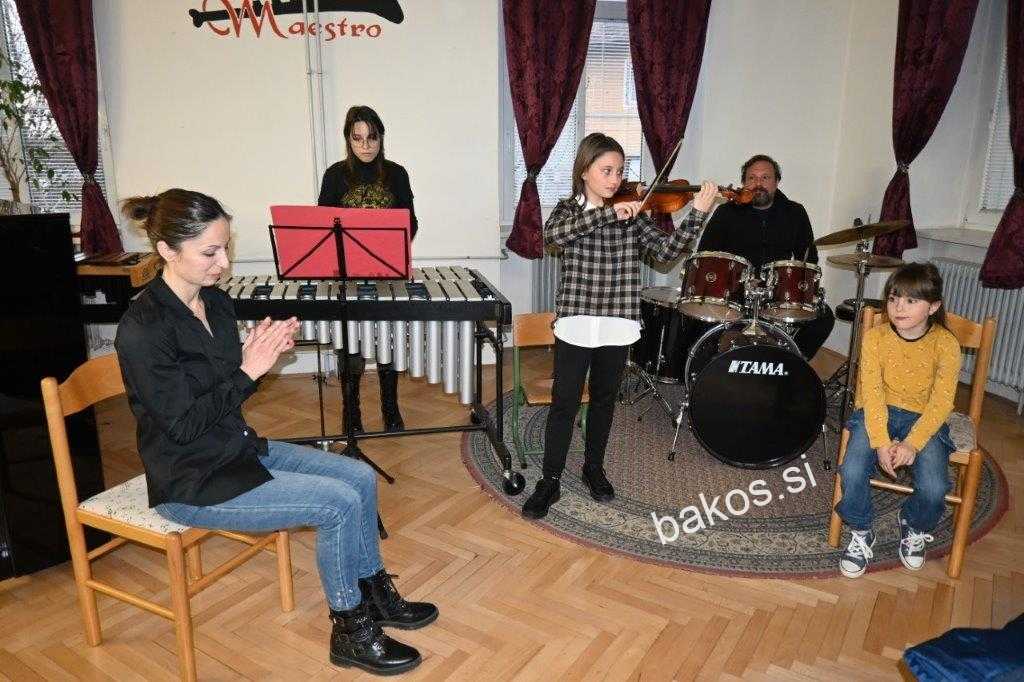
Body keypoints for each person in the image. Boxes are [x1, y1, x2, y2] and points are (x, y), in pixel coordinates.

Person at [114, 189, 437, 675]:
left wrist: (257, 354)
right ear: (166, 250)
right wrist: (249, 370)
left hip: (237, 449)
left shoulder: (215, 303)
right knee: (336, 504)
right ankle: (350, 630)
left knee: (358, 477)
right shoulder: (144, 329)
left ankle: (374, 594)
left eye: (225, 248)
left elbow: (225, 386)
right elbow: (182, 426)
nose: (224, 263)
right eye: (209, 252)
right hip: (193, 479)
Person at [521, 132, 717, 520]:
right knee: (564, 403)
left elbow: (667, 252)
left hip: (617, 323)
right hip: (577, 322)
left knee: (604, 400)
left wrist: (697, 212)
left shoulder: (634, 216)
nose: (615, 179)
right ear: (585, 171)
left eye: (620, 171)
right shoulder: (568, 210)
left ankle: (593, 468)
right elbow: (553, 236)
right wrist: (610, 214)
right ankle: (550, 480)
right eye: (607, 170)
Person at [833, 262, 961, 578]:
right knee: (852, 469)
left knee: (935, 487)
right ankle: (861, 530)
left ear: (933, 306)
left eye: (910, 300)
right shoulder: (875, 337)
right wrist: (880, 442)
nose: (898, 307)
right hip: (877, 413)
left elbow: (942, 402)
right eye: (893, 298)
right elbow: (871, 393)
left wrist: (912, 444)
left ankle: (913, 523)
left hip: (924, 419)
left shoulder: (946, 344)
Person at [318, 105, 417, 433]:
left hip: (387, 271)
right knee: (350, 346)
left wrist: (389, 244)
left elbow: (411, 222)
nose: (365, 145)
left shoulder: (396, 174)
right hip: (346, 274)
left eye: (372, 137)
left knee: (388, 341)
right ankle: (352, 411)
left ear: (381, 138)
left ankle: (390, 407)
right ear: (348, 139)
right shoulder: (335, 175)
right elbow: (322, 226)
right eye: (357, 138)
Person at [696, 154, 835, 359]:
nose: (758, 184)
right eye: (751, 178)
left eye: (765, 178)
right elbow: (705, 256)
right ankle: (713, 366)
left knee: (823, 318)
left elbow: (809, 260)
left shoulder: (795, 213)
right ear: (744, 183)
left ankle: (790, 361)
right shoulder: (726, 212)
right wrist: (737, 282)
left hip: (775, 295)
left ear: (777, 182)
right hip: (735, 294)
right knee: (698, 315)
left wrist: (789, 288)